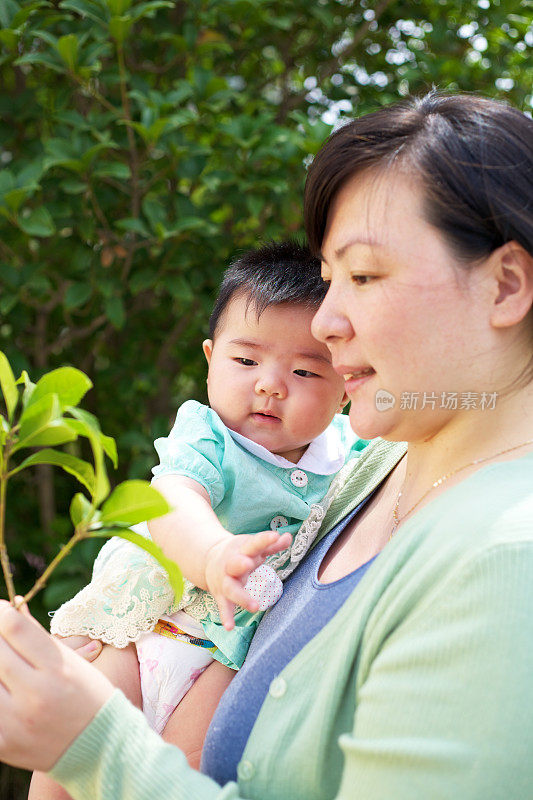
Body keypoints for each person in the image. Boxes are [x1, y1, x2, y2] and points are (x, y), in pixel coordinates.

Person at [0, 90, 532, 800]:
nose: (328, 322)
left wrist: (92, 745)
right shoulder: (377, 460)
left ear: (504, 285)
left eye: (365, 275)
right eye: (328, 281)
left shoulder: (504, 560)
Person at [45, 241, 365, 734]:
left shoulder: (350, 450)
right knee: (81, 738)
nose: (271, 385)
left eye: (304, 371)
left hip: (232, 654)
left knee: (191, 763)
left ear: (344, 388)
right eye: (246, 362)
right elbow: (173, 498)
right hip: (143, 627)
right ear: (211, 359)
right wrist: (215, 553)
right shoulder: (207, 436)